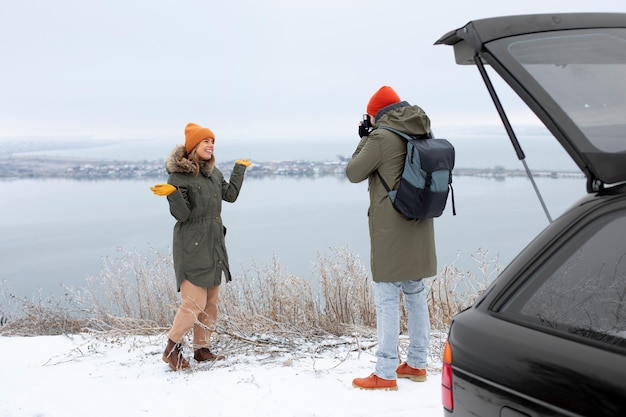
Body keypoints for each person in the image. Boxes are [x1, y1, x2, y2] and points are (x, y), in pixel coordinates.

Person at [346, 86, 436, 390]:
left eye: (369, 114)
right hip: (418, 223)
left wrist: (364, 138)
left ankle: (384, 372)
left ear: (377, 112)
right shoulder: (421, 130)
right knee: (415, 293)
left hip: (391, 229)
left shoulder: (382, 137)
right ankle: (417, 363)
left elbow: (354, 172)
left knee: (386, 298)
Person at [150, 122, 251, 371]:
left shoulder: (212, 174)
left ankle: (201, 349)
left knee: (210, 303)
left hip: (213, 243)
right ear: (193, 146)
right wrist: (173, 193)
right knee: (193, 303)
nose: (211, 145)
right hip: (191, 246)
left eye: (212, 141)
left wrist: (239, 170)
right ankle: (171, 349)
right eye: (206, 141)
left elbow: (230, 195)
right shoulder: (179, 177)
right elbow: (182, 215)